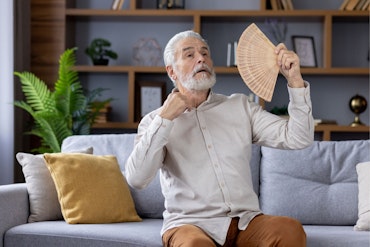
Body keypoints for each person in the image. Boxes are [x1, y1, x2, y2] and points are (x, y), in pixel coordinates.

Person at [125, 30, 314, 247]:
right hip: (190, 225)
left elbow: (299, 138)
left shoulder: (240, 106)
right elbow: (137, 179)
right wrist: (165, 118)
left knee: (289, 230)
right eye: (189, 55)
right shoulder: (154, 121)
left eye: (205, 53)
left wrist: (294, 81)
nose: (201, 58)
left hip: (246, 222)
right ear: (172, 71)